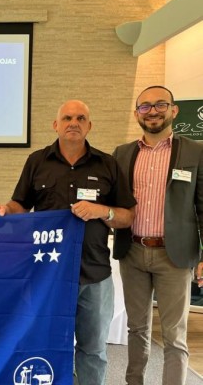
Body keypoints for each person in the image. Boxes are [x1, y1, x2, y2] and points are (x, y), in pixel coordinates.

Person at [0, 100, 136, 385]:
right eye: (67, 118)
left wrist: (101, 211)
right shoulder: (37, 161)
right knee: (46, 344)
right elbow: (20, 205)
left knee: (93, 350)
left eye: (81, 118)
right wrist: (5, 210)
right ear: (55, 125)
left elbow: (127, 216)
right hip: (47, 275)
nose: (74, 123)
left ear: (89, 126)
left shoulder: (107, 164)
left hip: (94, 274)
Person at [112, 85, 203, 385]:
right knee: (137, 329)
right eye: (145, 106)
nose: (152, 111)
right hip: (132, 252)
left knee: (174, 335)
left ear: (174, 110)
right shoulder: (122, 153)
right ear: (137, 114)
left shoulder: (195, 151)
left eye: (160, 105)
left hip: (174, 255)